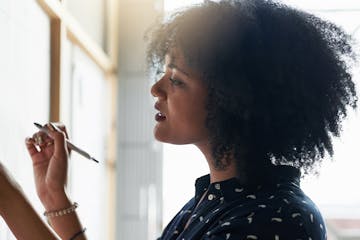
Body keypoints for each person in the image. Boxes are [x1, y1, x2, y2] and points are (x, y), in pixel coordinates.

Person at [0, 0, 358, 239]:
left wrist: (10, 196)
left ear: (234, 101)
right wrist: (52, 197)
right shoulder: (217, 199)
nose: (157, 88)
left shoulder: (272, 220)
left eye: (176, 79)